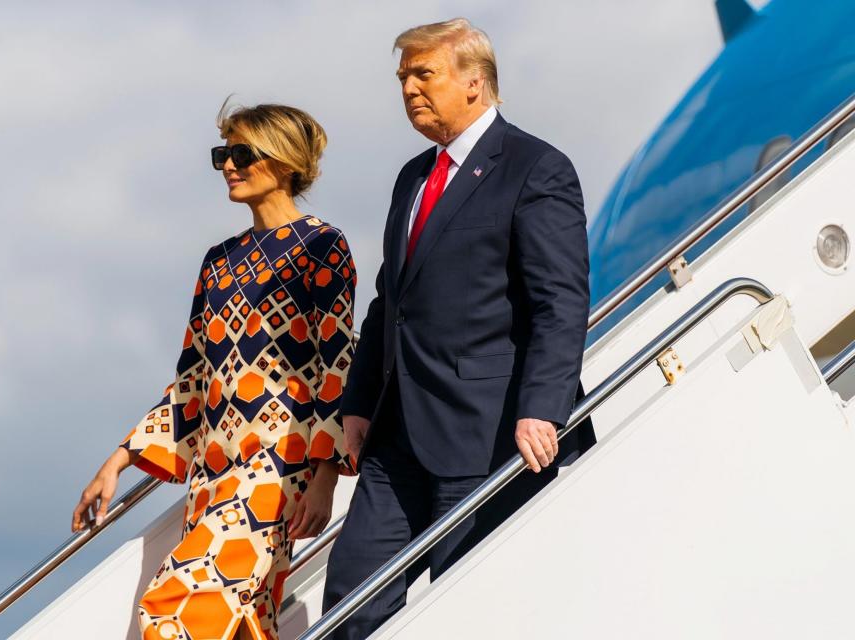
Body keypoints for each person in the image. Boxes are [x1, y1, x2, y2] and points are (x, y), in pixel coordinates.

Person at [322, 18, 595, 638]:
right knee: (349, 600)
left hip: (490, 434)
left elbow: (561, 301)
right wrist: (359, 404)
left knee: (468, 608)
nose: (409, 89)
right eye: (403, 78)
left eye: (424, 74)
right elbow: (389, 301)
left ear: (475, 82)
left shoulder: (536, 167)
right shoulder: (413, 177)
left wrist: (543, 409)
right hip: (397, 438)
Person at [72, 103, 356, 640]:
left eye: (242, 154)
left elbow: (337, 362)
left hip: (280, 466)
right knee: (248, 619)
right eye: (222, 154)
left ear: (285, 161)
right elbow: (193, 377)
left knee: (173, 606)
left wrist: (324, 479)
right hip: (214, 468)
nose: (228, 165)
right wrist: (118, 460)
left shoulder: (323, 246)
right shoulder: (218, 260)